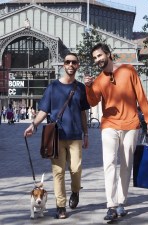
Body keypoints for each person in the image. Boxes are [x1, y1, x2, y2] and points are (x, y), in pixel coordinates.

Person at [84, 43, 148, 221]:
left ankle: (122, 202)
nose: (97, 60)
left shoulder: (128, 70)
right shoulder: (99, 80)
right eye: (95, 58)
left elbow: (141, 96)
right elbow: (92, 102)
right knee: (109, 164)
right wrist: (88, 87)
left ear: (108, 54)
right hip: (109, 125)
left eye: (99, 56)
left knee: (126, 164)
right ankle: (111, 205)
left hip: (131, 124)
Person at [24, 52, 90, 219]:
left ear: (77, 66)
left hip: (75, 136)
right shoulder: (52, 87)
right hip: (56, 137)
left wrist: (86, 133)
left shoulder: (80, 88)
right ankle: (60, 206)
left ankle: (75, 191)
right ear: (63, 65)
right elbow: (44, 110)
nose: (70, 64)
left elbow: (83, 112)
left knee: (76, 169)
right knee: (58, 172)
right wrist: (33, 125)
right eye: (67, 62)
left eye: (73, 62)